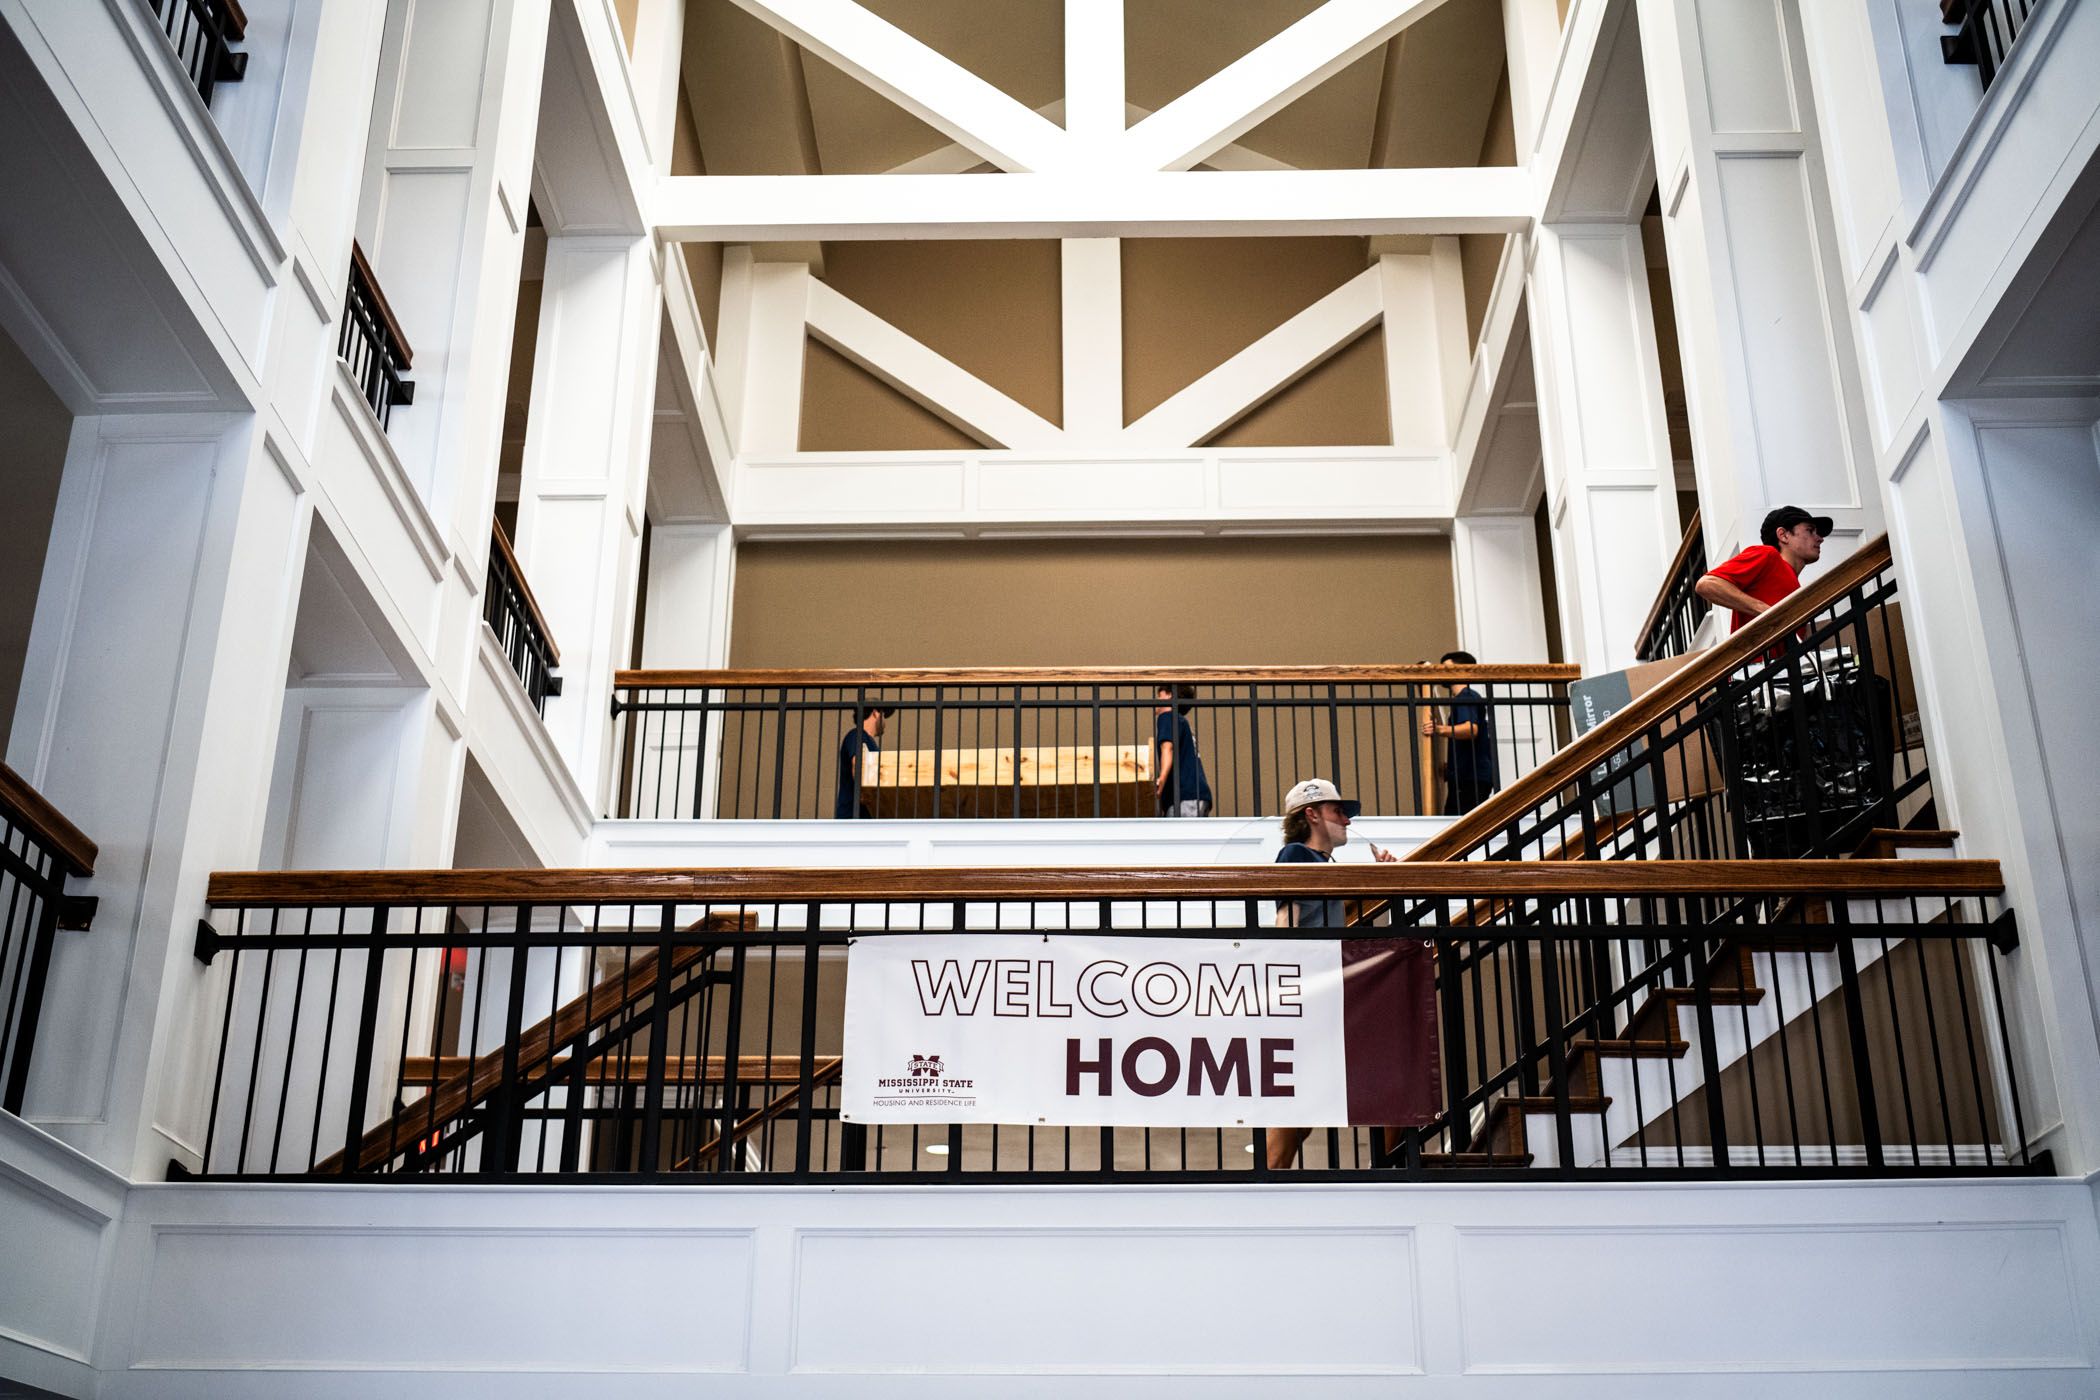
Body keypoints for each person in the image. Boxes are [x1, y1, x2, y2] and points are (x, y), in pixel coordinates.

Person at [1268, 778, 1397, 1169]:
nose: (1347, 818)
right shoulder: (1295, 854)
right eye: (1338, 811)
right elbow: (1286, 916)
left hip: (1321, 991)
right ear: (1312, 814)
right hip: (1309, 991)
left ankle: (1270, 1182)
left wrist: (1384, 882)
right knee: (1297, 1105)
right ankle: (1269, 1182)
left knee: (1302, 1108)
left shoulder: (1325, 866)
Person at [1694, 506, 1831, 631]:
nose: (1820, 539)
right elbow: (1707, 584)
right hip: (1757, 658)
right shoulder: (1767, 555)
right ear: (1783, 535)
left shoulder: (1794, 585)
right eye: (1810, 530)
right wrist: (1768, 612)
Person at [1421, 650, 1498, 816]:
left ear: (1462, 670)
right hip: (1469, 776)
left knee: (1458, 824)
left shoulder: (1467, 696)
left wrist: (1439, 729)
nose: (1441, 672)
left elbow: (1471, 729)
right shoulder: (1462, 698)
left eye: (1446, 668)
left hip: (1471, 778)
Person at [1152, 684, 1210, 818]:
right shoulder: (1181, 721)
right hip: (1196, 796)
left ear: (1169, 696)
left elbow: (1168, 748)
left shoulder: (1167, 717)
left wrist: (1161, 779)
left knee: (1179, 836)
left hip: (1185, 798)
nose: (1156, 700)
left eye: (1159, 695)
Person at [834, 702, 889, 819]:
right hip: (852, 818)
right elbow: (857, 762)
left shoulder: (868, 742)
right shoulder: (857, 735)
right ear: (875, 713)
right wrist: (863, 792)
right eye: (883, 715)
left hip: (864, 817)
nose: (884, 720)